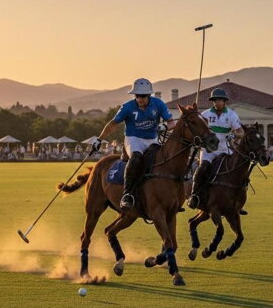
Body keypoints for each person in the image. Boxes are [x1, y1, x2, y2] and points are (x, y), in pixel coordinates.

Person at [91, 78, 175, 211]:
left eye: (142, 96)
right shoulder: (128, 107)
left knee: (162, 160)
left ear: (149, 95)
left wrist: (164, 127)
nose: (139, 99)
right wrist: (99, 139)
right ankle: (127, 195)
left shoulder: (158, 104)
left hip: (152, 139)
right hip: (133, 138)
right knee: (136, 158)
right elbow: (113, 123)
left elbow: (172, 122)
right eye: (137, 95)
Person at [187, 88, 244, 209]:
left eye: (220, 100)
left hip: (225, 149)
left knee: (238, 170)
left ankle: (238, 199)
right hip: (209, 150)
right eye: (215, 100)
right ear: (212, 101)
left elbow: (241, 132)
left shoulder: (231, 115)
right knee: (202, 169)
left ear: (224, 101)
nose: (217, 102)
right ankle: (194, 196)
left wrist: (234, 135)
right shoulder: (205, 115)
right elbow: (197, 130)